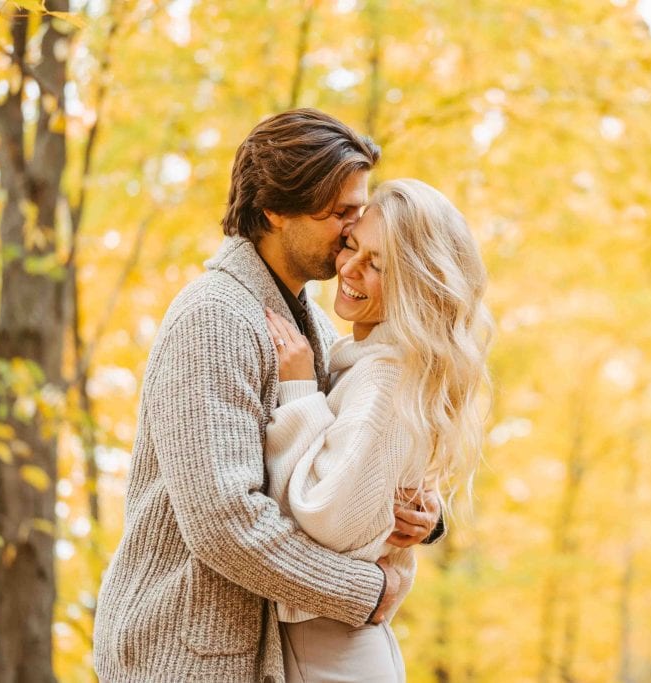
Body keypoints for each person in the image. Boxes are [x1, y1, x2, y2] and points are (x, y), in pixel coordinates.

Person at [93, 109, 441, 682]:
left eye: (360, 209)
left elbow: (344, 452)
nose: (355, 229)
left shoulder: (312, 324)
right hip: (185, 658)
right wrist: (364, 591)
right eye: (340, 214)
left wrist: (420, 510)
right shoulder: (214, 319)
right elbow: (224, 524)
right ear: (275, 209)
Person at [261, 178, 492, 682]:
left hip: (330, 653)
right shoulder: (372, 360)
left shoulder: (385, 375)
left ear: (416, 285)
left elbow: (329, 521)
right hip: (336, 646)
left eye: (378, 265)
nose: (349, 268)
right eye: (351, 245)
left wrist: (298, 395)